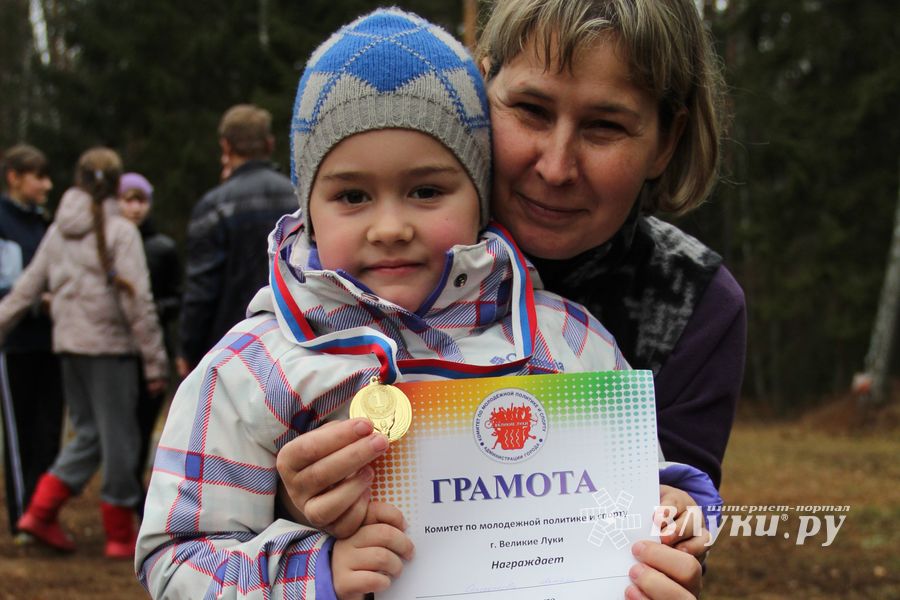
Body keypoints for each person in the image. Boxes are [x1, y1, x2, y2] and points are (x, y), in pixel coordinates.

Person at [136, 9, 711, 598]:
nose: (390, 227)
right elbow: (175, 558)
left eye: (427, 191)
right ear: (308, 207)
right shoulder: (252, 370)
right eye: (352, 195)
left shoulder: (569, 340)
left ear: (479, 193)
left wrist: (669, 515)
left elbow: (637, 497)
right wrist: (313, 573)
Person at [476, 0, 747, 492]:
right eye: (531, 110)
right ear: (481, 86)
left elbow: (674, 524)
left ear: (667, 141)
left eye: (605, 127)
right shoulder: (384, 250)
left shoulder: (695, 305)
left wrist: (675, 542)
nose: (556, 168)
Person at [0, 147, 168, 559]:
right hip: (110, 351)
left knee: (90, 435)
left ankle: (39, 512)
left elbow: (25, 289)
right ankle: (118, 536)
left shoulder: (58, 229)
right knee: (121, 440)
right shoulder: (120, 232)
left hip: (68, 348)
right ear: (116, 183)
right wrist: (154, 360)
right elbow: (139, 303)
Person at [177, 103, 297, 377]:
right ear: (269, 144)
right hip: (295, 341)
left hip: (231, 349)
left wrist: (188, 350)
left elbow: (201, 289)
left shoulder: (213, 206)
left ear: (226, 147)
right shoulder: (299, 197)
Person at [0, 144, 65, 538]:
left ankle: (44, 514)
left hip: (52, 341)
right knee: (21, 434)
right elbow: (9, 285)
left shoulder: (43, 222)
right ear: (15, 177)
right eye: (38, 176)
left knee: (48, 431)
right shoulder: (3, 222)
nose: (47, 184)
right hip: (17, 345)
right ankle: (23, 515)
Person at [117, 172, 181, 510]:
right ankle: (123, 495)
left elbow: (176, 297)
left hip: (152, 348)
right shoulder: (108, 244)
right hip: (115, 350)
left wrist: (151, 308)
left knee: (143, 426)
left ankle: (141, 500)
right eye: (127, 199)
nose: (134, 208)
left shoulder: (163, 248)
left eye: (140, 200)